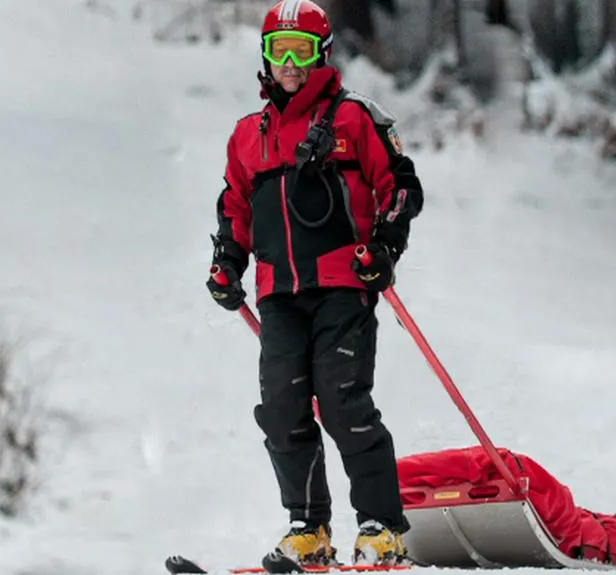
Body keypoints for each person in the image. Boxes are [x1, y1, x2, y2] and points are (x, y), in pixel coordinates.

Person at [205, 0, 424, 568]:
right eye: (281, 52)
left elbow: (400, 187)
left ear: (322, 55)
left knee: (342, 398)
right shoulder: (248, 137)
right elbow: (236, 209)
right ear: (266, 58)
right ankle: (309, 527)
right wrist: (228, 264)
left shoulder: (355, 118)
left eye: (302, 51)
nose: (291, 65)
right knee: (281, 406)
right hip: (279, 295)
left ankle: (382, 526)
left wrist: (385, 248)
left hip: (343, 286)